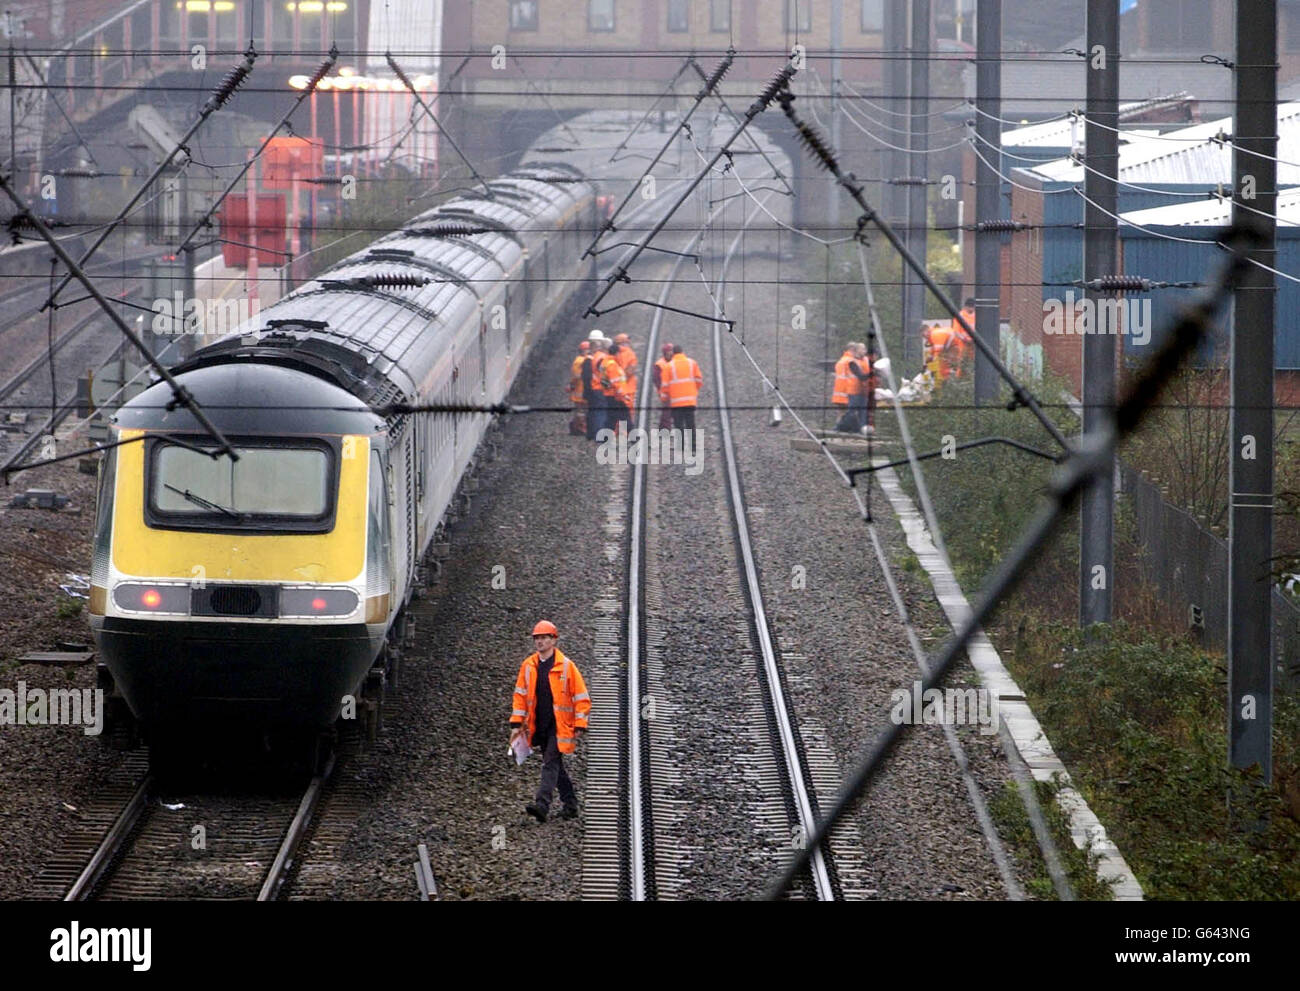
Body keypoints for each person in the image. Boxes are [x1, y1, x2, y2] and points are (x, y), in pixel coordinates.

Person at [509, 620, 591, 823]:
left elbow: (581, 696)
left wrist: (580, 723)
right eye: (537, 638)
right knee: (556, 766)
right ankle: (570, 804)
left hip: (560, 725)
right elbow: (520, 695)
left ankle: (542, 805)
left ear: (554, 640)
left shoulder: (566, 667)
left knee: (549, 763)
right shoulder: (528, 666)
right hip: (539, 725)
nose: (540, 642)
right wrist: (516, 723)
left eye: (544, 638)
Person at [658, 344, 702, 431]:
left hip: (676, 402)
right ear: (682, 352)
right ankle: (692, 444)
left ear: (673, 354)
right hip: (690, 401)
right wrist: (694, 390)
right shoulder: (692, 363)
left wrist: (664, 399)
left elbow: (665, 386)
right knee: (690, 424)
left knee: (678, 426)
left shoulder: (668, 366)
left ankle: (680, 444)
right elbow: (699, 380)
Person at [582, 330, 610, 439]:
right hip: (597, 389)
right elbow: (601, 375)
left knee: (594, 411)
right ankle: (599, 434)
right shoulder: (596, 359)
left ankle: (592, 433)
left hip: (592, 389)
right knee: (599, 411)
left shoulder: (591, 358)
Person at [832, 342, 864, 432]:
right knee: (852, 413)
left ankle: (837, 429)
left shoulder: (841, 361)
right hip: (848, 392)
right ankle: (850, 430)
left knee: (841, 412)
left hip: (838, 392)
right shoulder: (851, 361)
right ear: (853, 350)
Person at [569, 340, 590, 436]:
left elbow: (575, 377)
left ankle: (579, 427)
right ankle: (578, 428)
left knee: (582, 411)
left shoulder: (582, 360)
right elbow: (576, 376)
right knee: (581, 411)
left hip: (582, 390)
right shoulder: (580, 361)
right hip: (580, 390)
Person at [651, 342, 674, 429]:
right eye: (669, 351)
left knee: (668, 410)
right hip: (665, 390)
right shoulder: (660, 364)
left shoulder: (673, 362)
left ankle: (663, 428)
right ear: (665, 353)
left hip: (674, 389)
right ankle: (665, 429)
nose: (671, 353)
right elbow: (657, 379)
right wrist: (662, 390)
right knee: (667, 410)